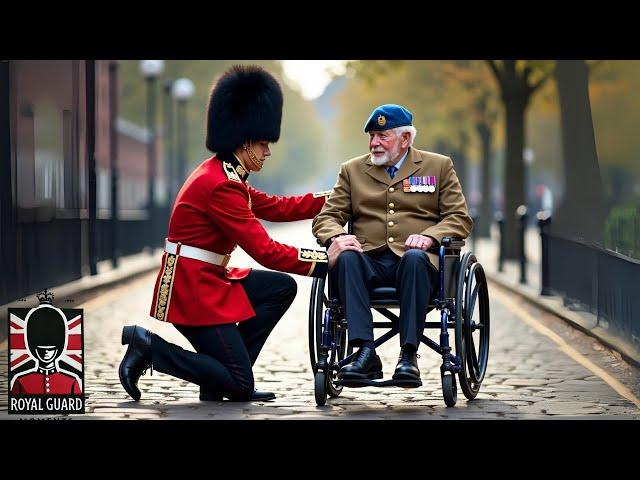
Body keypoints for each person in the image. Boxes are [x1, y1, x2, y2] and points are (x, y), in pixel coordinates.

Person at [118, 65, 330, 402]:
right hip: (192, 290)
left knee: (280, 289)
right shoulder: (221, 186)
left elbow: (278, 207)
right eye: (263, 144)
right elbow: (266, 250)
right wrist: (325, 260)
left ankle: (223, 375)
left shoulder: (228, 176)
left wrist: (335, 197)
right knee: (241, 386)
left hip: (206, 279)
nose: (267, 152)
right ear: (245, 142)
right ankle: (150, 348)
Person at [312, 104, 472, 382]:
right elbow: (326, 217)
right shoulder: (352, 170)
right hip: (367, 262)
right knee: (347, 257)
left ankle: (408, 355)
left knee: (414, 258)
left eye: (382, 136)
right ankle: (365, 352)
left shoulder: (438, 166)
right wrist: (336, 237)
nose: (374, 143)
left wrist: (430, 236)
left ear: (405, 139)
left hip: (417, 265)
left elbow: (459, 217)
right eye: (371, 136)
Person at [11, 304, 82, 395]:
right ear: (34, 349)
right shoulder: (20, 382)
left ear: (57, 349)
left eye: (50, 348)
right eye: (41, 349)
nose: (46, 352)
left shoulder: (72, 382)